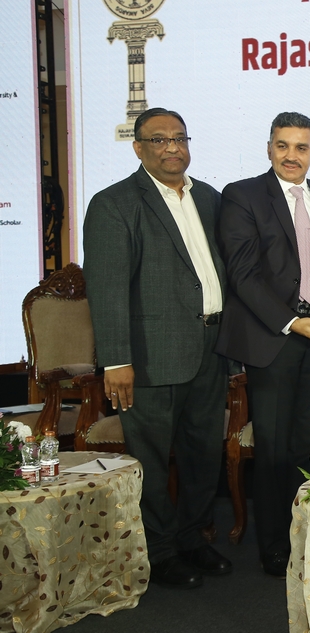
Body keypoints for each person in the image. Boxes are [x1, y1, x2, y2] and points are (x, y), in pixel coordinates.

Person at [83, 107, 232, 589]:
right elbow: (106, 290)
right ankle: (160, 551)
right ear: (138, 148)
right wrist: (116, 361)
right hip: (149, 356)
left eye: (179, 138)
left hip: (211, 347)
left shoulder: (208, 198)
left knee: (202, 453)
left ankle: (192, 538)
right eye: (159, 139)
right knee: (149, 457)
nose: (172, 147)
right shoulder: (114, 204)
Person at [216, 112, 310, 578]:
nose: (292, 155)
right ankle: (273, 545)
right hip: (275, 337)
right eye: (283, 145)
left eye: (301, 147)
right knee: (271, 449)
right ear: (269, 148)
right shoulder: (243, 194)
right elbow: (242, 274)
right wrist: (292, 322)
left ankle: (305, 536)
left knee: (308, 446)